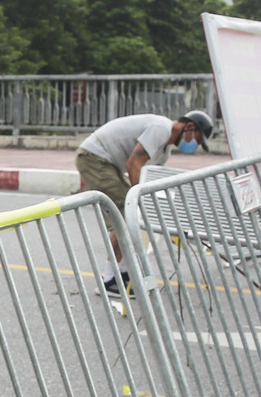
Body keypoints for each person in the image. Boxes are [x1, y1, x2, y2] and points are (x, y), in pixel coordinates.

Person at [73, 110, 215, 294]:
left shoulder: (164, 151)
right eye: (197, 138)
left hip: (108, 163)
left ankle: (122, 274)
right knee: (124, 215)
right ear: (189, 127)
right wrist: (140, 199)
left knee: (132, 216)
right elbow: (134, 165)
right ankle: (110, 281)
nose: (195, 144)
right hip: (94, 158)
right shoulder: (161, 128)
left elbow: (150, 179)